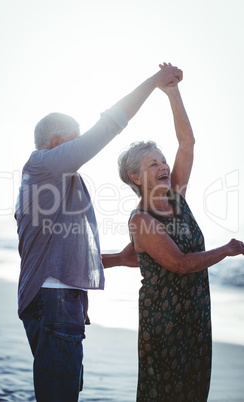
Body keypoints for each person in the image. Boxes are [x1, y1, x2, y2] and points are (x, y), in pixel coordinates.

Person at [14, 63, 183, 401]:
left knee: (59, 392)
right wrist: (152, 83)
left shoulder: (50, 183)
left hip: (56, 300)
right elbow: (108, 127)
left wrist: (120, 259)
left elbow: (59, 256)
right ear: (58, 143)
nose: (82, 151)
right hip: (55, 302)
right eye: (76, 143)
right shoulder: (44, 164)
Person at [118, 63, 244, 402]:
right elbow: (179, 263)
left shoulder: (176, 197)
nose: (162, 166)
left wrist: (172, 92)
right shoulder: (142, 219)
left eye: (162, 161)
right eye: (152, 164)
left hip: (196, 314)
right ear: (135, 178)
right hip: (165, 324)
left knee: (193, 392)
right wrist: (226, 250)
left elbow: (186, 142)